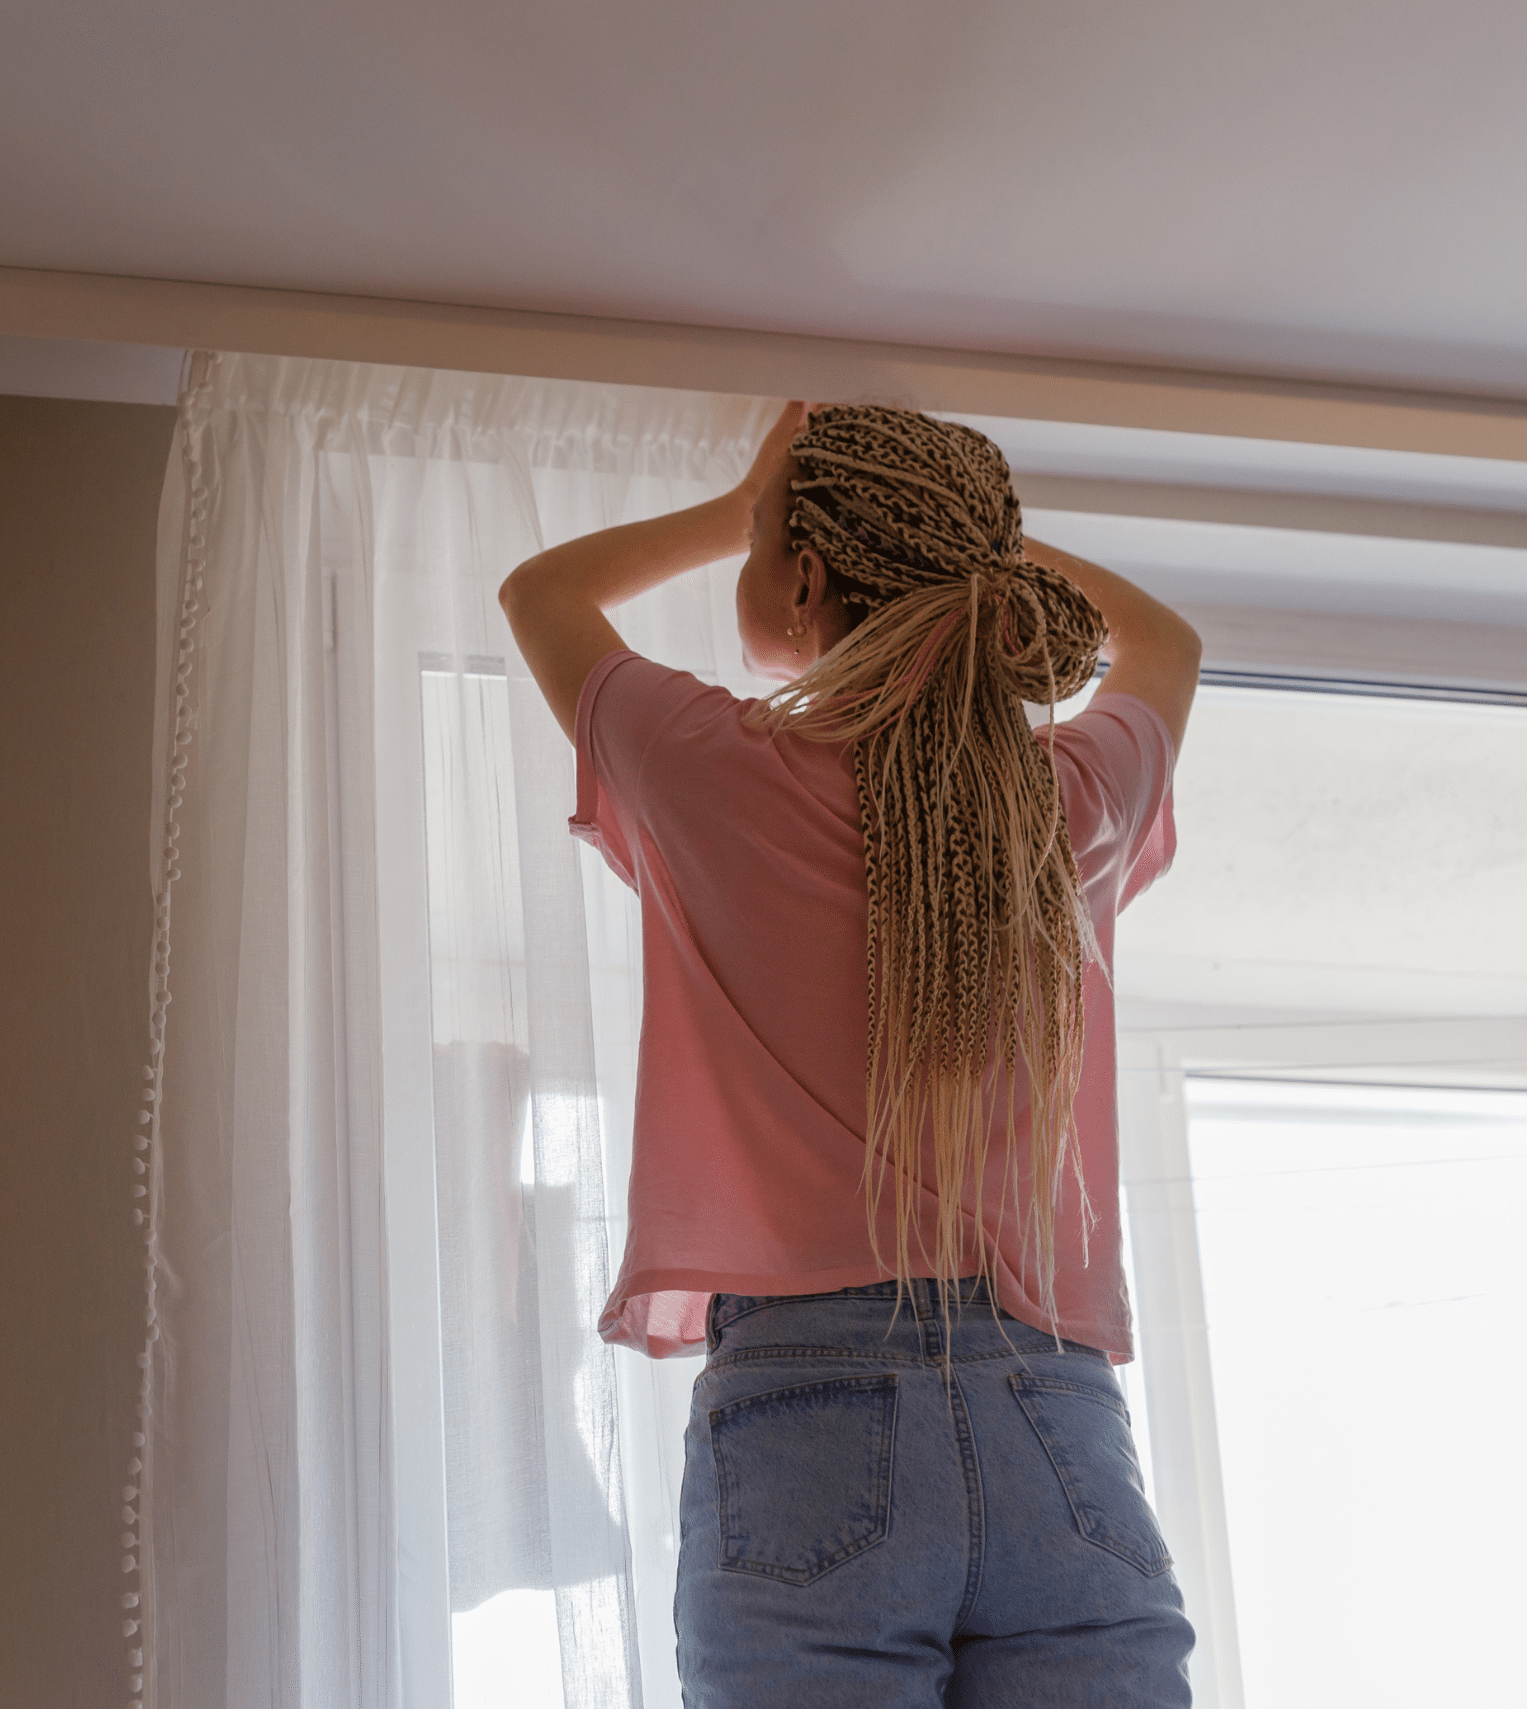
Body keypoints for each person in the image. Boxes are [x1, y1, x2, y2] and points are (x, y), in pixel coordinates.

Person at [498, 401, 1203, 1707]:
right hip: (1054, 1416)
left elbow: (542, 590)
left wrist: (737, 503)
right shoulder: (1075, 799)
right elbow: (1165, 641)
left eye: (764, 548)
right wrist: (979, 550)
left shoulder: (708, 764)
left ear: (805, 576)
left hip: (809, 1408)